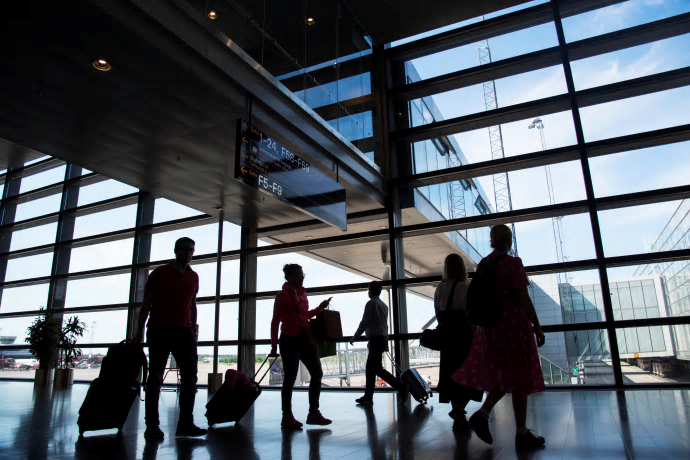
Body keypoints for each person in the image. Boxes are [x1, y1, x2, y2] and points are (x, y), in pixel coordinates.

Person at [452, 224, 546, 448]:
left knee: (506, 375)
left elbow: (474, 301)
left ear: (492, 241)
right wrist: (537, 326)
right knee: (519, 377)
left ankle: (485, 414)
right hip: (513, 328)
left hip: (491, 329)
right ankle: (520, 431)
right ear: (509, 241)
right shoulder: (513, 264)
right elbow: (523, 297)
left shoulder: (484, 264)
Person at [133, 237, 207, 439]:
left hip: (184, 332)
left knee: (190, 378)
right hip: (160, 329)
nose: (187, 252)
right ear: (175, 251)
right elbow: (146, 304)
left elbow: (192, 304)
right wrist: (139, 331)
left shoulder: (194, 277)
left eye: (191, 249)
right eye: (183, 249)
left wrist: (193, 329)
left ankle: (185, 423)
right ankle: (152, 426)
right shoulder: (160, 273)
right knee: (155, 378)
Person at [269, 263, 332, 429]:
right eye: (299, 274)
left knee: (317, 373)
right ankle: (287, 416)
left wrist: (319, 308)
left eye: (302, 274)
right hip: (289, 339)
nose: (302, 276)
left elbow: (304, 315)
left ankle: (313, 413)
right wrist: (274, 345)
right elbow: (275, 320)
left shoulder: (303, 292)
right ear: (289, 277)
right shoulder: (282, 295)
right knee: (290, 379)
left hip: (304, 338)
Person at [433, 254, 483, 430]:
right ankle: (460, 410)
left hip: (448, 338)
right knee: (470, 374)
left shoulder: (440, 287)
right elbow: (470, 316)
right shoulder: (464, 287)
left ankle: (458, 413)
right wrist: (477, 337)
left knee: (452, 375)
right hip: (464, 338)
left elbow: (438, 315)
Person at [349, 281, 407, 405]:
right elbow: (384, 325)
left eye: (368, 289)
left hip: (375, 340)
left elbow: (364, 322)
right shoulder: (384, 305)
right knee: (371, 369)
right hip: (381, 339)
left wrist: (355, 337)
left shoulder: (371, 304)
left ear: (370, 290)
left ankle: (401, 387)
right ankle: (368, 396)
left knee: (376, 369)